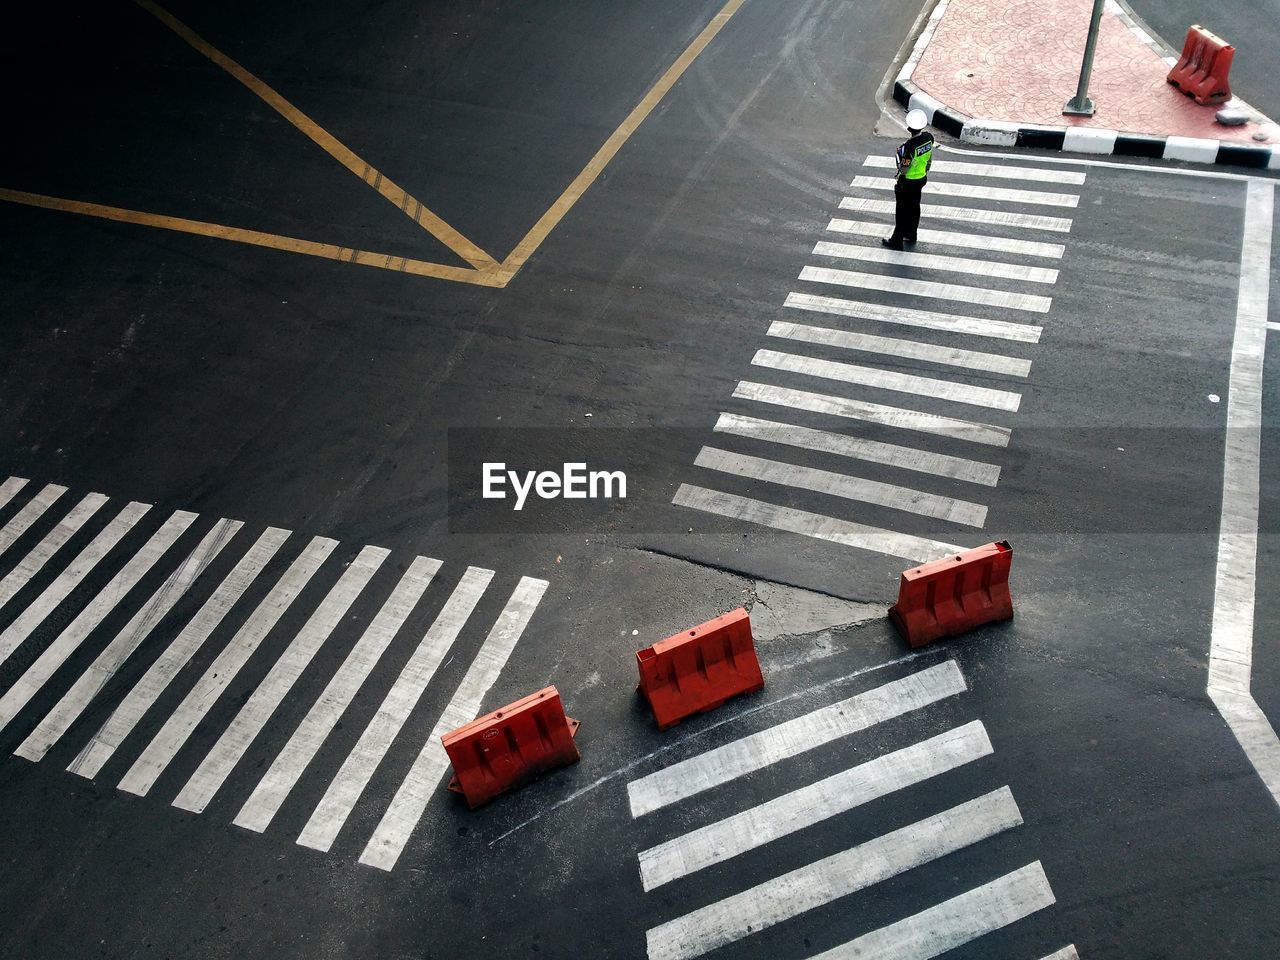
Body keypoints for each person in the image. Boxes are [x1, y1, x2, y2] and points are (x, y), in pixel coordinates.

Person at [882, 109, 935, 250]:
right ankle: (911, 234)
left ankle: (896, 240)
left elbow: (904, 168)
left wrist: (899, 156)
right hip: (921, 178)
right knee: (914, 207)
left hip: (908, 182)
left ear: (909, 128)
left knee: (902, 211)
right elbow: (929, 157)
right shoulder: (929, 138)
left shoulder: (909, 146)